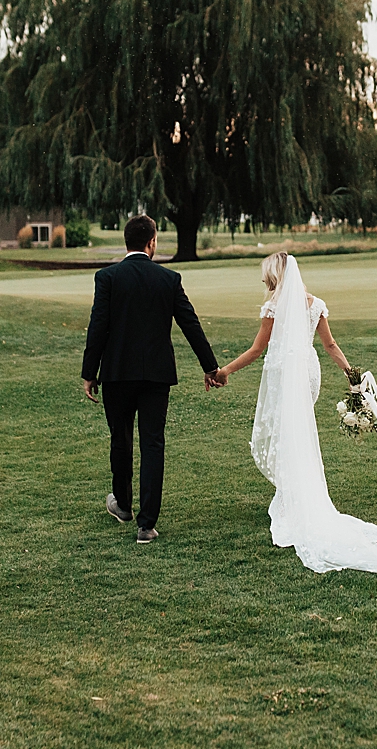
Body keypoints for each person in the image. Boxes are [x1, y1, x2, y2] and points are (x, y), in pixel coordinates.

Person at [221, 250, 377, 577]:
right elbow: (329, 345)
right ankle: (296, 492)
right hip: (308, 372)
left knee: (289, 431)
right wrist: (352, 374)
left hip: (286, 372)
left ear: (276, 275)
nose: (263, 279)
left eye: (266, 274)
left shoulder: (273, 306)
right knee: (298, 430)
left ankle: (294, 498)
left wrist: (225, 370)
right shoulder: (315, 304)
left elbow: (258, 349)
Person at [80, 216, 224, 545]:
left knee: (121, 438)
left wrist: (90, 373)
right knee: (152, 444)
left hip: (116, 374)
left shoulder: (107, 278)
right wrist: (210, 366)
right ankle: (146, 525)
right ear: (152, 242)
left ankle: (123, 504)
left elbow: (97, 327)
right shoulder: (168, 279)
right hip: (157, 376)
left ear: (127, 240)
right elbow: (191, 324)